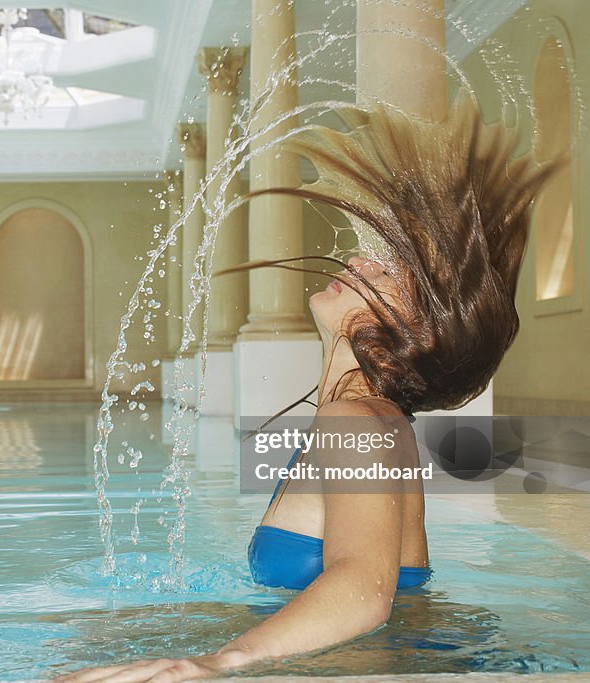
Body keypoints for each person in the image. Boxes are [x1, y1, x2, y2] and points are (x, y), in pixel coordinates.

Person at [53, 93, 560, 682]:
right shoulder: (366, 419)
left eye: (388, 271)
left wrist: (216, 661)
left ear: (414, 331)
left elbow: (364, 591)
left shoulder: (358, 424)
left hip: (392, 662)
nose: (358, 261)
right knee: (82, 645)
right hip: (399, 650)